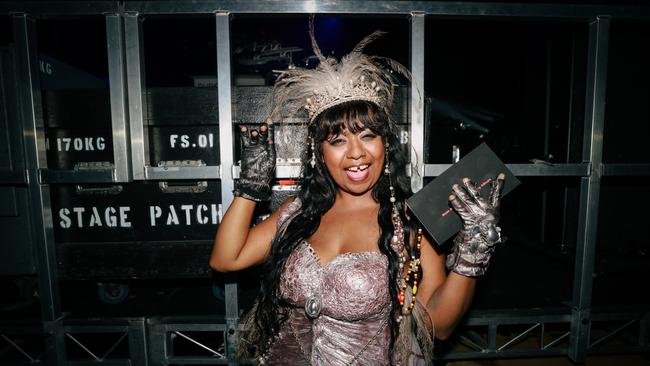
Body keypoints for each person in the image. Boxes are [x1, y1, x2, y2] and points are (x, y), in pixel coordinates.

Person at [210, 21, 505, 365]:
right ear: (319, 154)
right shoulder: (298, 211)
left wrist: (473, 250)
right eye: (337, 141)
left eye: (367, 136)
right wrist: (251, 183)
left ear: (385, 143)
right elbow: (225, 259)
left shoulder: (411, 220)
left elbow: (437, 326)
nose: (356, 153)